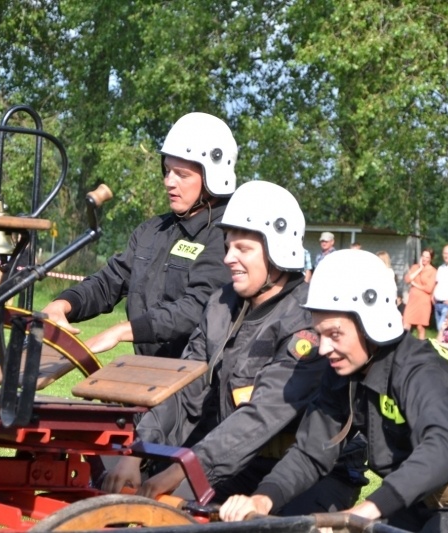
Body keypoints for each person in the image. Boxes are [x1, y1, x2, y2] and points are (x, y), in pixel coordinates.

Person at [102, 181, 365, 514]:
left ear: (277, 251)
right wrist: (137, 451)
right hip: (239, 461)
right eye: (227, 247)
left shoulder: (308, 320)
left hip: (312, 472)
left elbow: (260, 416)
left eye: (242, 248)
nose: (228, 258)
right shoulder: (220, 304)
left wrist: (183, 468)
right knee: (157, 509)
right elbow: (184, 389)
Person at [219, 250, 448, 532]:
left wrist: (363, 513)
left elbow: (443, 448)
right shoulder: (344, 370)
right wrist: (263, 499)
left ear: (370, 324)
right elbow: (312, 452)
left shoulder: (421, 371)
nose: (323, 348)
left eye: (335, 334)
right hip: (417, 500)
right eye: (319, 334)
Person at [41, 113, 238, 358]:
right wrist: (64, 304)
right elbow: (108, 283)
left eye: (182, 174)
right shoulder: (152, 231)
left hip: (199, 382)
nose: (169, 182)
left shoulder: (229, 235)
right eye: (167, 171)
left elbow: (198, 307)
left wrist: (123, 331)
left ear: (213, 178)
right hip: (148, 373)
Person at [402, 248, 436, 339]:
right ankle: (403, 344)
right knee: (406, 321)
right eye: (423, 256)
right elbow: (407, 279)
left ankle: (421, 346)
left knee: (420, 327)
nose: (424, 259)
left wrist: (415, 284)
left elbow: (429, 289)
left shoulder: (433, 271)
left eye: (427, 257)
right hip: (412, 300)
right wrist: (420, 269)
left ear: (431, 259)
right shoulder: (415, 267)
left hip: (423, 301)